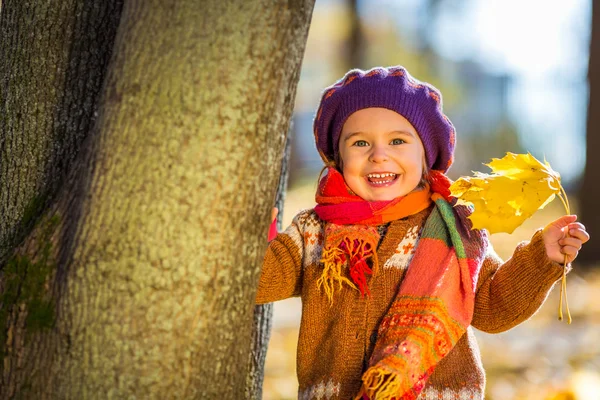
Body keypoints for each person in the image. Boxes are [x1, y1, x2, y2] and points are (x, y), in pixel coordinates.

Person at [255, 66, 589, 400]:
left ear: (426, 155)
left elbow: (491, 307)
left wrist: (541, 258)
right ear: (338, 158)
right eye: (360, 142)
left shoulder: (454, 230)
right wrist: (254, 243)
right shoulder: (314, 231)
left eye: (398, 140)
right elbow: (262, 281)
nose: (379, 155)